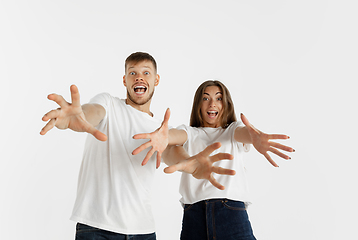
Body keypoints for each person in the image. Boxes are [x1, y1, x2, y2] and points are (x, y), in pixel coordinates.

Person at [40, 53, 235, 240]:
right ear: (124, 80)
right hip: (96, 228)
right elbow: (93, 112)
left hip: (143, 232)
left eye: (146, 73)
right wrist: (78, 116)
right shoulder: (108, 104)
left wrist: (192, 163)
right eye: (133, 73)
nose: (139, 78)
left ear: (156, 80)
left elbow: (171, 150)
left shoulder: (160, 128)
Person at [133, 80, 294, 240]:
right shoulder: (190, 132)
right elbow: (175, 135)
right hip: (194, 217)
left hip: (231, 214)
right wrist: (164, 136)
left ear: (226, 104)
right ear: (198, 105)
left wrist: (255, 137)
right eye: (205, 98)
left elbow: (243, 132)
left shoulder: (231, 131)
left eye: (218, 98)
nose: (212, 103)